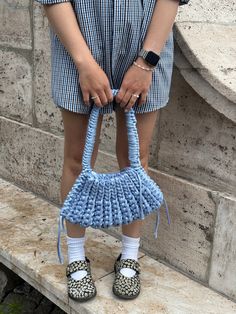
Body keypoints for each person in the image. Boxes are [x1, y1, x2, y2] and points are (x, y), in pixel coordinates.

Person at [35, 0, 190, 302]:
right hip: (78, 41)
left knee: (136, 158)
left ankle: (130, 256)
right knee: (77, 160)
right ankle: (77, 257)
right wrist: (84, 63)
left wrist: (147, 61)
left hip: (147, 45)